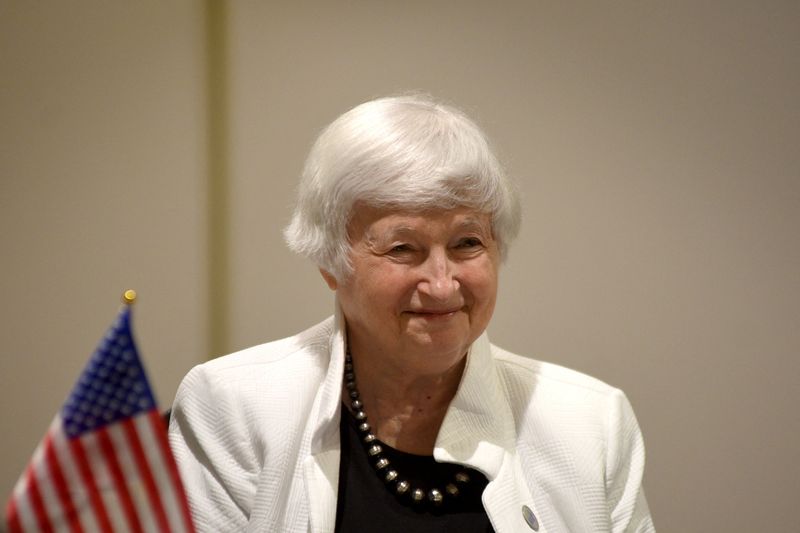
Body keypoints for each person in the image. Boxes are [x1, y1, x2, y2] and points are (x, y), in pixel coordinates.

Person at [168, 94, 655, 532]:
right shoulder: (234, 407)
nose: (442, 283)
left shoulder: (591, 423)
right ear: (330, 264)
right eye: (403, 248)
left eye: (467, 242)